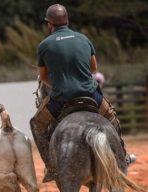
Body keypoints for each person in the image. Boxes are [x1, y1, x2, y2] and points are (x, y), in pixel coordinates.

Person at [30, 4, 135, 182]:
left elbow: (43, 77)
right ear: (67, 20)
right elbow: (94, 68)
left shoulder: (45, 45)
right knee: (112, 118)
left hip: (61, 99)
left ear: (49, 24)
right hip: (91, 94)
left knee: (36, 125)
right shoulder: (83, 39)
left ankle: (52, 167)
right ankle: (121, 157)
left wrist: (58, 84)